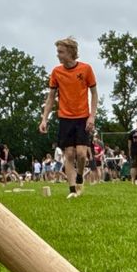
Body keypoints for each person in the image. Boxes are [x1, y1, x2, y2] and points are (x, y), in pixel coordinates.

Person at [39, 37, 97, 199]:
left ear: (70, 52)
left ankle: (80, 175)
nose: (58, 55)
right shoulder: (56, 72)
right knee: (69, 155)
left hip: (83, 117)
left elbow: (94, 94)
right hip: (65, 118)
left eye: (61, 52)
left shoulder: (86, 69)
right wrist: (44, 119)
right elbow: (51, 97)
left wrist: (92, 117)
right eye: (58, 51)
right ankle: (72, 190)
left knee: (81, 154)